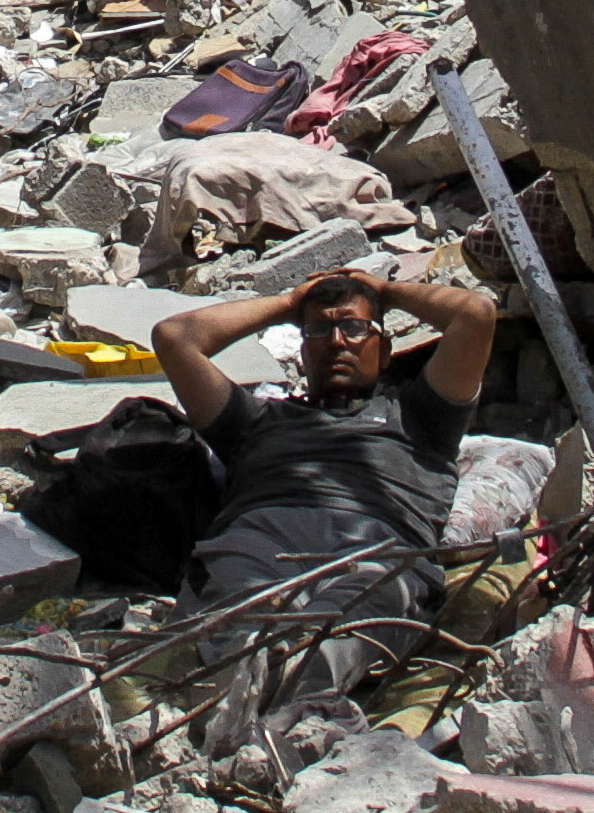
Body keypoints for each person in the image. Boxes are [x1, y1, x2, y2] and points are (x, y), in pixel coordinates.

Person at [148, 263, 498, 674]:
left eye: (354, 327)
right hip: (261, 539)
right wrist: (289, 303)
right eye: (318, 330)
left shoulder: (420, 416)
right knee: (238, 638)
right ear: (302, 353)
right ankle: (247, 681)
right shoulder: (255, 419)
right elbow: (174, 337)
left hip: (377, 547)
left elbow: (476, 315)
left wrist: (383, 291)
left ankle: (282, 684)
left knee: (337, 638)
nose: (336, 341)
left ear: (385, 351)